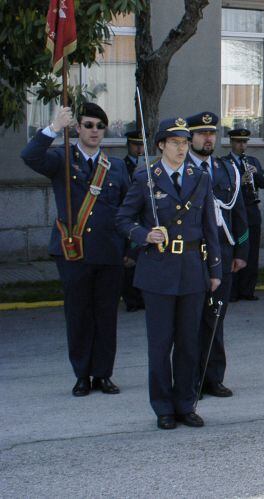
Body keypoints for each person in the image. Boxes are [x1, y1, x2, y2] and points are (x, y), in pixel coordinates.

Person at [116, 117, 222, 430]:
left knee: (189, 343)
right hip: (158, 271)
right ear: (161, 144)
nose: (181, 148)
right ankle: (163, 407)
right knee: (161, 345)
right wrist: (143, 234)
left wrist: (214, 268)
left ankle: (185, 404)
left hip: (191, 269)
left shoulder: (199, 177)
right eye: (175, 143)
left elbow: (209, 226)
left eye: (185, 143)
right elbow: (122, 219)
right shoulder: (145, 178)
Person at [20, 103, 129, 397]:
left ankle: (103, 374)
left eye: (100, 126)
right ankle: (82, 375)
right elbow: (29, 156)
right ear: (77, 128)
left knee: (106, 315)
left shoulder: (116, 166)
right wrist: (53, 128)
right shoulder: (61, 158)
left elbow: (126, 209)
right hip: (73, 251)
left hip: (108, 252)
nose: (94, 131)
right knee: (79, 315)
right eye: (89, 125)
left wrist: (129, 247)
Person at [186, 111, 248, 399]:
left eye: (211, 133)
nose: (208, 138)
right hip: (191, 257)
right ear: (190, 138)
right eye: (201, 133)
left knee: (216, 318)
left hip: (222, 255)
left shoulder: (226, 169)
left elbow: (239, 214)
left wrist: (241, 251)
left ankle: (214, 377)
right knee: (191, 321)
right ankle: (192, 380)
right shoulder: (181, 168)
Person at [226, 128, 264, 302]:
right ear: (231, 143)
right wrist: (239, 181)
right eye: (238, 142)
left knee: (251, 252)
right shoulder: (224, 162)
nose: (241, 145)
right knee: (235, 250)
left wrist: (256, 173)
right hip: (233, 214)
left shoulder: (253, 161)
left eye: (244, 142)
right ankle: (233, 290)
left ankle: (248, 289)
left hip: (251, 211)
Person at [121, 130, 146, 312]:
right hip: (129, 215)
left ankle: (142, 296)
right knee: (128, 260)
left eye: (141, 145)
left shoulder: (149, 165)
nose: (139, 148)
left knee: (140, 256)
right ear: (128, 145)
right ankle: (131, 299)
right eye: (135, 145)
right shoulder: (123, 166)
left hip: (143, 216)